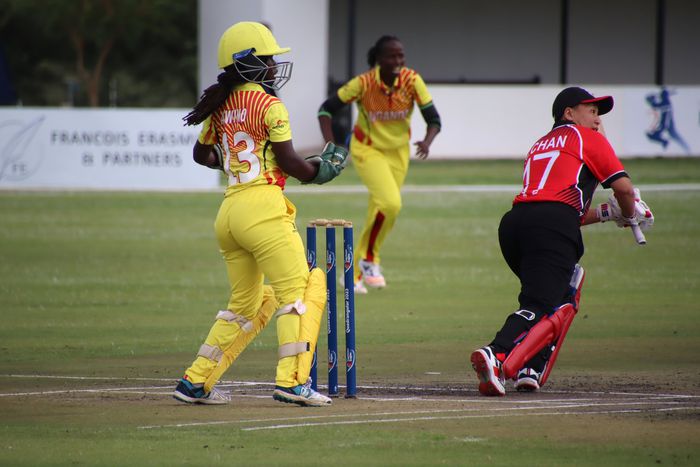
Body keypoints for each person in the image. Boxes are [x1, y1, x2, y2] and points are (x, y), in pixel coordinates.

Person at [172, 21, 348, 407]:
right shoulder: (270, 105)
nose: (273, 66)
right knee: (298, 292)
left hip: (229, 214)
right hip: (264, 210)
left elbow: (201, 155)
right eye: (267, 59)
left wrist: (233, 162)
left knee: (244, 305)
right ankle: (293, 382)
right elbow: (290, 163)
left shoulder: (219, 106)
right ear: (247, 61)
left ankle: (195, 381)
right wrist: (321, 172)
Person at [470, 86, 654, 396]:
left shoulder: (540, 144)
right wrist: (630, 211)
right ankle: (495, 353)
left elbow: (568, 207)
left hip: (516, 224)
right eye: (591, 111)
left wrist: (610, 213)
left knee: (555, 293)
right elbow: (623, 188)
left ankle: (529, 367)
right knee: (548, 304)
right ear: (569, 113)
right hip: (551, 226)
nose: (597, 119)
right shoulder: (588, 139)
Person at [318, 35, 441, 293]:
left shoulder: (412, 81)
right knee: (391, 204)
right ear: (378, 59)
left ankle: (352, 275)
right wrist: (330, 144)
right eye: (392, 56)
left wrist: (427, 142)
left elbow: (434, 119)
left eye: (401, 55)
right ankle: (369, 259)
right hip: (368, 149)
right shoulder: (363, 84)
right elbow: (326, 110)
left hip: (398, 153)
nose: (398, 61)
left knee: (380, 211)